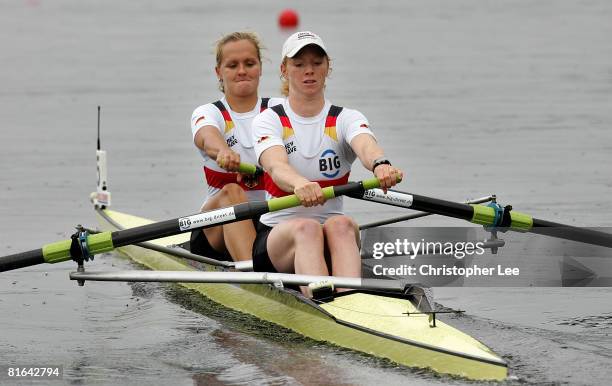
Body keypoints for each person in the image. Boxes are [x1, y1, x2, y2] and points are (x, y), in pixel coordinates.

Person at [252, 31, 403, 293]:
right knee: (307, 227)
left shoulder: (345, 118)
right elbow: (276, 166)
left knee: (342, 223)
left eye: (317, 63)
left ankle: (350, 302)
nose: (308, 71)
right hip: (278, 239)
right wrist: (299, 183)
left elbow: (366, 145)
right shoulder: (269, 120)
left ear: (328, 67)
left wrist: (381, 164)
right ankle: (322, 302)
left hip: (332, 234)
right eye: (299, 65)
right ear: (284, 69)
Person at [190, 32, 282, 262]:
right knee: (233, 191)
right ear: (219, 72)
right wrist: (223, 151)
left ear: (260, 68)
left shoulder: (280, 110)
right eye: (232, 65)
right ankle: (253, 275)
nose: (242, 71)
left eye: (249, 64)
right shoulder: (209, 113)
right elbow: (207, 137)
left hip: (269, 224)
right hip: (215, 231)